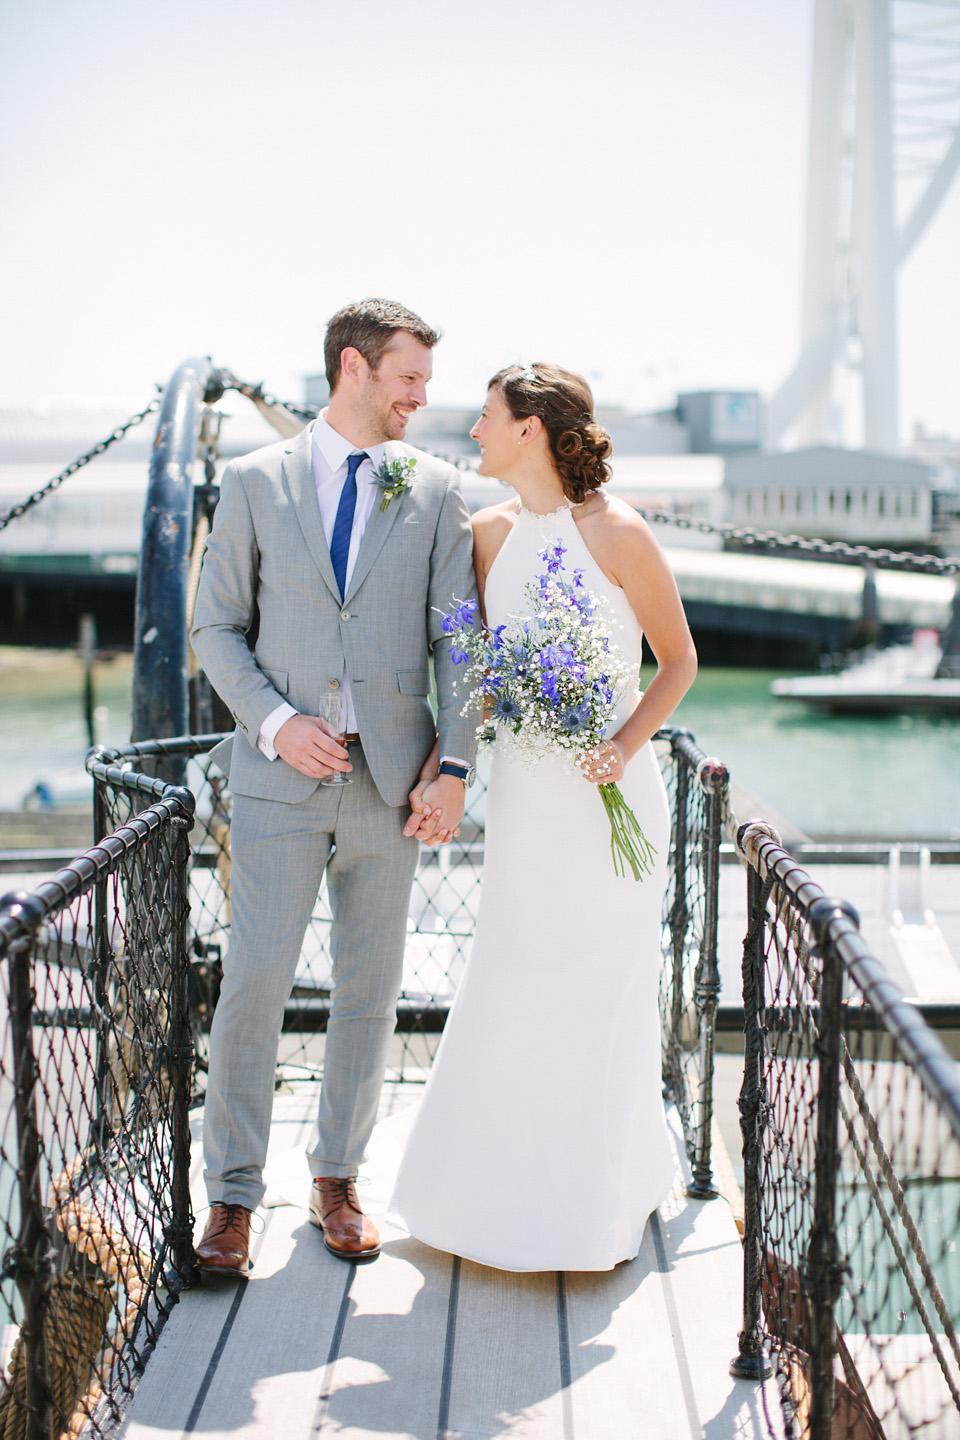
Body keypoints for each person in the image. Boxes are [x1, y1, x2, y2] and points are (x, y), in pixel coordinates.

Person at [190, 298, 477, 1276]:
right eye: (409, 378)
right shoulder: (253, 482)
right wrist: (276, 723)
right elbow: (215, 628)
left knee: (369, 993)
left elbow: (461, 642)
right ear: (354, 367)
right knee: (255, 984)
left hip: (394, 786)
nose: (421, 398)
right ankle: (231, 1197)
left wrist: (455, 765)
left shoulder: (437, 489)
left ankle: (337, 1180)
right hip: (277, 780)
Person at [391, 363, 698, 1272]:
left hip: (609, 801)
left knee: (602, 992)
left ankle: (592, 1205)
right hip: (524, 799)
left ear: (531, 429)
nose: (475, 431)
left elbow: (678, 661)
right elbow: (475, 682)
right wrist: (444, 768)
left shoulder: (621, 531)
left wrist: (623, 743)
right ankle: (488, 1201)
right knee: (513, 982)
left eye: (487, 417)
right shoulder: (486, 534)